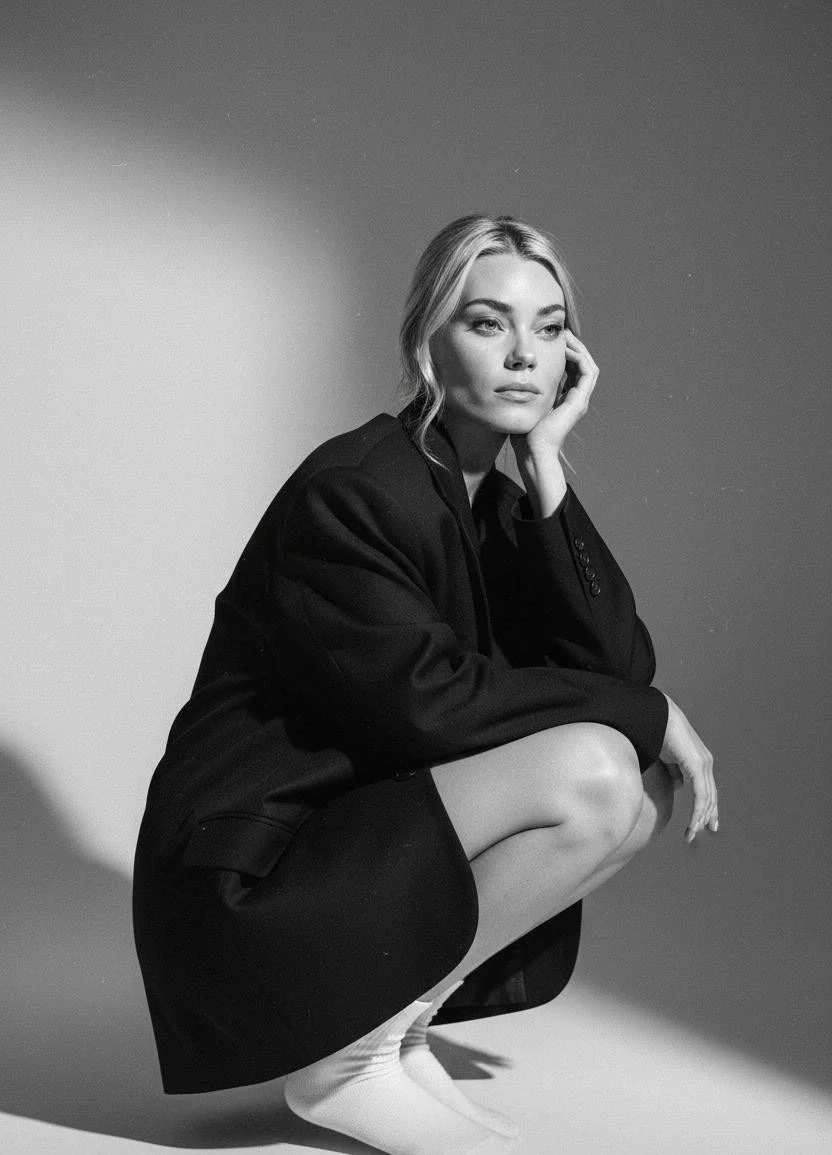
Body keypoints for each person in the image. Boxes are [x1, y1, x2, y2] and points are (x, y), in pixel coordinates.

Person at [132, 213, 717, 1155]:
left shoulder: (490, 493)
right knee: (601, 767)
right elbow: (428, 702)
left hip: (349, 854)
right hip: (251, 883)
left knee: (635, 785)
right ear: (426, 342)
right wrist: (642, 713)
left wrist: (548, 460)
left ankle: (387, 1026)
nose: (527, 355)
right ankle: (346, 1061)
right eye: (489, 324)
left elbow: (616, 669)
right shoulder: (359, 487)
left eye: (552, 327)